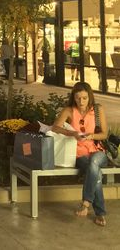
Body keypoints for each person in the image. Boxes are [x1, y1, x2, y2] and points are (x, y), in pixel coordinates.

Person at [52, 81, 108, 226]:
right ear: (73, 97)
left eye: (84, 98)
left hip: (98, 151)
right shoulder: (69, 111)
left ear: (90, 97)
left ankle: (86, 203)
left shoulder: (98, 109)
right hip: (78, 154)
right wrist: (73, 133)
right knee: (95, 171)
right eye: (78, 98)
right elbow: (55, 128)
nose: (81, 101)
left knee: (94, 162)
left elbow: (104, 134)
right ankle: (100, 213)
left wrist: (91, 136)